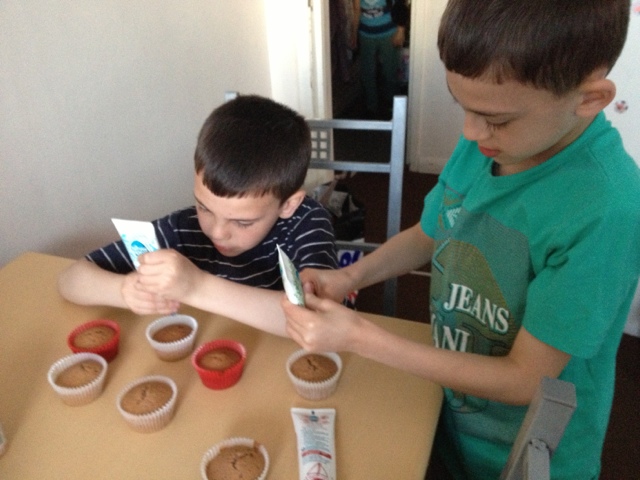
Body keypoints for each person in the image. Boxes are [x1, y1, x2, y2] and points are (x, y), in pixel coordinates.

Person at [281, 1, 640, 478]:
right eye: (463, 107)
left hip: (525, 454)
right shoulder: (487, 143)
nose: (470, 132)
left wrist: (361, 337)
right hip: (445, 409)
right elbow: (431, 232)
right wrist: (351, 274)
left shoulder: (605, 209)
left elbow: (527, 379)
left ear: (590, 98)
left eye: (497, 118)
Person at [58, 94, 338, 337]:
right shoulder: (184, 227)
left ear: (288, 205)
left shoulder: (308, 223)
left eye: (242, 222)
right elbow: (71, 279)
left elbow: (317, 320)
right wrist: (123, 291)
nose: (217, 231)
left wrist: (196, 287)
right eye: (204, 207)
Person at [352, 0, 408, 118]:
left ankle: (392, 106)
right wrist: (353, 35)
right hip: (366, 34)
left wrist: (401, 30)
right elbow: (357, 9)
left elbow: (401, 4)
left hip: (389, 33)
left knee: (390, 70)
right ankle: (371, 107)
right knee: (367, 73)